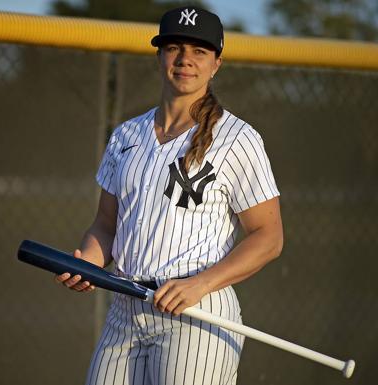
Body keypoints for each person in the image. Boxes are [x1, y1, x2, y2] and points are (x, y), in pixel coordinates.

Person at [55, 6, 283, 385]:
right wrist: (89, 264)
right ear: (159, 55)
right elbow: (106, 225)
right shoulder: (126, 135)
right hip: (124, 309)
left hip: (197, 312)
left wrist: (201, 284)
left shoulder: (238, 139)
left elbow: (268, 237)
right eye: (175, 47)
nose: (185, 60)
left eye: (199, 51)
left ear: (216, 64)